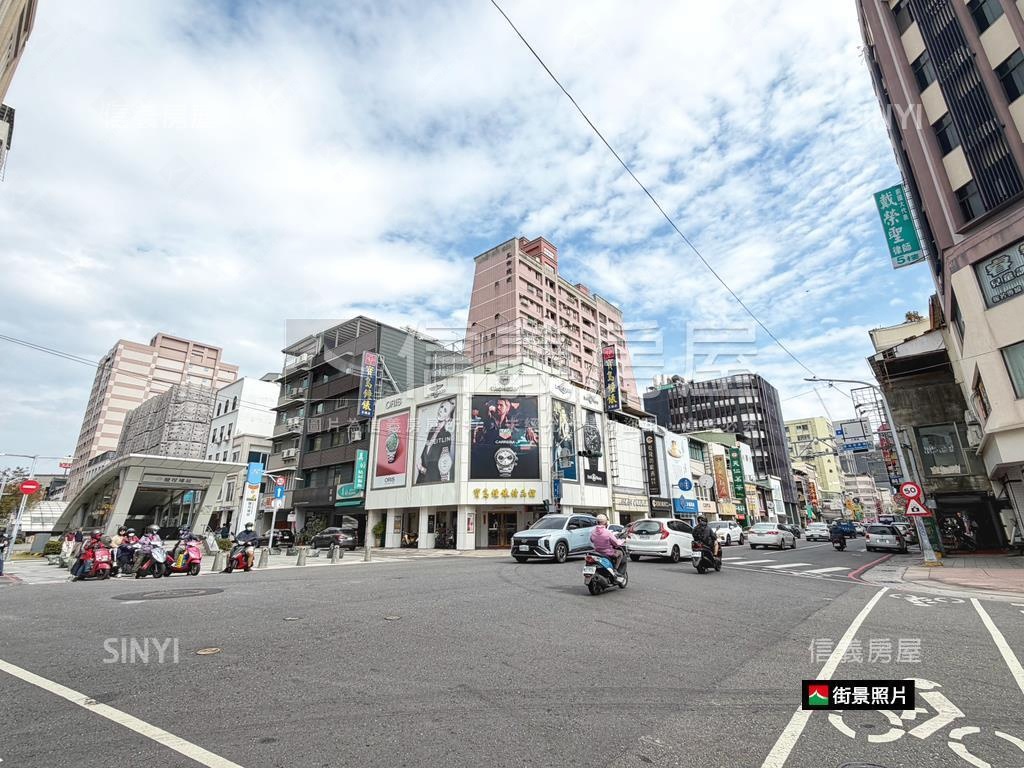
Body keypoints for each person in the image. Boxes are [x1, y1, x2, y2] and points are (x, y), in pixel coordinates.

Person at [416, 399, 455, 484]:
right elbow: (424, 454)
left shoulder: (447, 435)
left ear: (448, 418)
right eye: (441, 407)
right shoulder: (431, 431)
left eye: (445, 410)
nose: (441, 410)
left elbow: (444, 463)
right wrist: (420, 460)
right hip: (421, 478)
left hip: (432, 479)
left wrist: (422, 469)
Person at [589, 514, 626, 584]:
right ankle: (615, 570)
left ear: (597, 522)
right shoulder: (608, 532)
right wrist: (623, 541)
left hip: (597, 552)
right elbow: (617, 543)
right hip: (608, 553)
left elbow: (592, 539)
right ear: (605, 522)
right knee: (620, 553)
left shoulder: (593, 532)